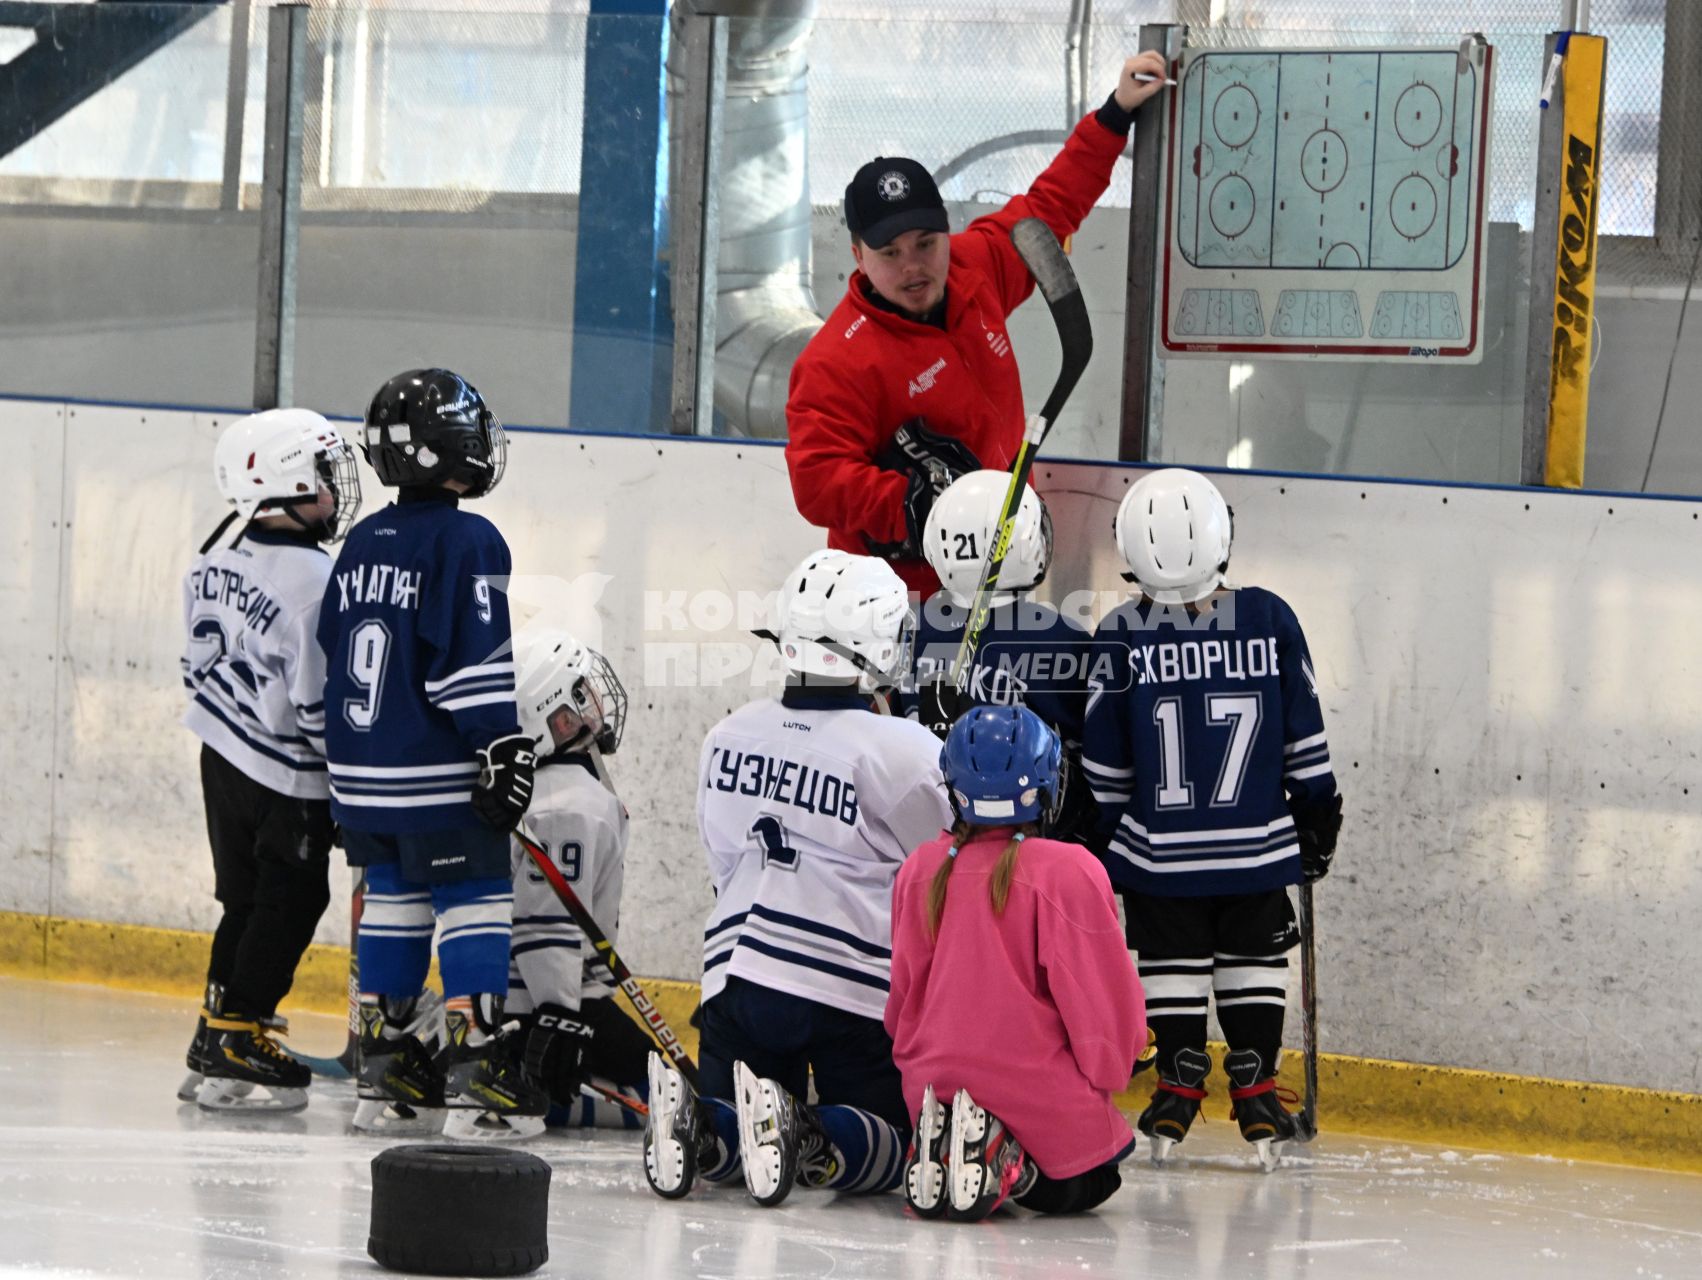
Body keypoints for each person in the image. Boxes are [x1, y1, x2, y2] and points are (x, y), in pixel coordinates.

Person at [785, 52, 1172, 595]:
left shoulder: (977, 265)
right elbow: (817, 481)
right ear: (857, 254)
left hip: (1002, 566)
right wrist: (912, 502)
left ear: (947, 230)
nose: (913, 266)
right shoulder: (834, 362)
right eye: (890, 253)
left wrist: (1114, 115)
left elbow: (1052, 204)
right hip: (894, 600)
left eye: (925, 243)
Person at [643, 549, 953, 1207]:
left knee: (738, 1137)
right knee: (898, 1142)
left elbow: (722, 863)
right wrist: (942, 745)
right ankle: (806, 1127)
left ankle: (705, 1128)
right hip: (849, 989)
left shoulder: (727, 735)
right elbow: (946, 869)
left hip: (739, 975)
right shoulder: (905, 750)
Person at [1080, 468, 1343, 1170]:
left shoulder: (1122, 633)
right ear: (1221, 535)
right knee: (1254, 959)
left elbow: (1105, 770)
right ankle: (1256, 1092)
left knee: (1173, 962)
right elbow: (1305, 743)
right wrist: (1316, 819)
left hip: (1159, 857)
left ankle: (1176, 1089)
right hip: (1256, 850)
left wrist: (1105, 838)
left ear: (1130, 549)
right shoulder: (1268, 617)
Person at [317, 368, 545, 1139]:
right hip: (431, 770)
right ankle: (480, 1069)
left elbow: (331, 650)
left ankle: (386, 1070)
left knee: (394, 895)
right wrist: (501, 746)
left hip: (360, 775)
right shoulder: (467, 538)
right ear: (446, 450)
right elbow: (468, 664)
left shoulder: (360, 540)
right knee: (475, 896)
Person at [887, 705, 1149, 1221]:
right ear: (1046, 783)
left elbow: (901, 1009)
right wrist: (1112, 1070)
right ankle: (1007, 1162)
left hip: (932, 1089)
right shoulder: (1068, 871)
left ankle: (953, 1147)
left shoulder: (920, 867)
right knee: (1097, 1178)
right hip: (1035, 1096)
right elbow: (1104, 1014)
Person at [178, 407, 361, 1112]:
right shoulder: (317, 581)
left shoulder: (213, 556)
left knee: (243, 896)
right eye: (323, 475)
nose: (335, 490)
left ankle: (216, 1028)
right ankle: (240, 1033)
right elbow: (317, 707)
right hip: (284, 773)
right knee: (293, 896)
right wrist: (348, 784)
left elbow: (195, 663)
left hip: (219, 751)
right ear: (286, 482)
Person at [505, 627, 652, 1129]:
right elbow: (548, 922)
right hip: (547, 1006)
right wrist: (560, 1017)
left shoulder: (543, 790)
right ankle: (531, 1090)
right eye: (582, 694)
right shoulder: (571, 805)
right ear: (560, 718)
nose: (596, 703)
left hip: (527, 999)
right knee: (663, 1091)